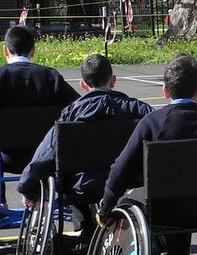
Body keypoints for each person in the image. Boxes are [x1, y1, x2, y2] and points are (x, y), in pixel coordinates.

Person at [99, 54, 197, 255]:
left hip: (165, 211)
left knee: (131, 200)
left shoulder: (152, 123)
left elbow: (120, 173)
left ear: (165, 91)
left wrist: (105, 209)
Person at [17, 54, 153, 246]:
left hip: (82, 186)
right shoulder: (138, 109)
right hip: (126, 183)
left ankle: (85, 230)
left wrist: (26, 186)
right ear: (113, 80)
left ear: (82, 84)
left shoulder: (71, 113)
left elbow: (45, 154)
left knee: (69, 178)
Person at [0, 25, 80, 174]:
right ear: (33, 51)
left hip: (8, 156)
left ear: (5, 51)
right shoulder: (50, 76)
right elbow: (78, 107)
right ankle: (34, 192)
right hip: (46, 154)